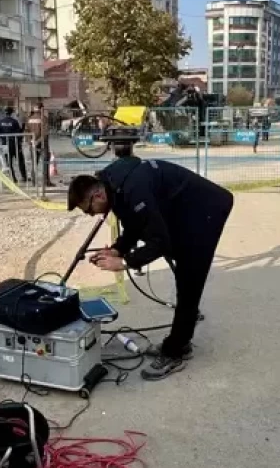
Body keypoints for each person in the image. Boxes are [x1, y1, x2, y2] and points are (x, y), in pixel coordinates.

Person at [68, 157, 234, 381]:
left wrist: (125, 262)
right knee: (183, 267)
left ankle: (175, 351)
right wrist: (117, 249)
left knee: (189, 277)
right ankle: (180, 341)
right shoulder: (114, 186)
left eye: (89, 210)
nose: (92, 214)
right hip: (185, 209)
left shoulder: (133, 189)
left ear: (97, 196)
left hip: (206, 210)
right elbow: (135, 224)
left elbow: (160, 241)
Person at [0, 106, 29, 183]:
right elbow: (19, 133)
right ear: (12, 113)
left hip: (5, 145)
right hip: (15, 144)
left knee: (9, 162)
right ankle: (24, 177)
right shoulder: (14, 121)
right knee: (20, 160)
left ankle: (13, 178)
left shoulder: (1, 122)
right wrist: (23, 126)